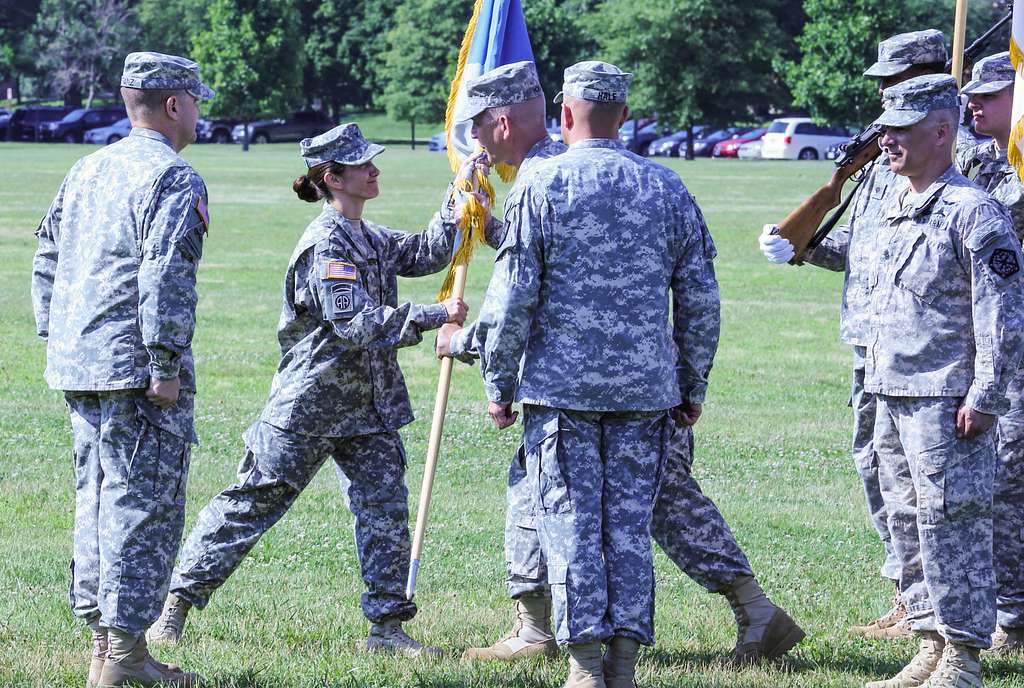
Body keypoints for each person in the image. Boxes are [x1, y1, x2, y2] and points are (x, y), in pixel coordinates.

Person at [436, 61, 802, 666]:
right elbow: (700, 299)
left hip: (566, 392)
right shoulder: (666, 185)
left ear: (559, 114)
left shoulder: (543, 181)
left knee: (589, 519)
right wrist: (692, 383)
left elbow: (517, 300)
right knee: (607, 522)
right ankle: (586, 645)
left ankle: (585, 656)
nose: (473, 142)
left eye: (476, 128)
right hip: (647, 392)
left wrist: (492, 376)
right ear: (625, 116)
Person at [145, 123, 468, 657]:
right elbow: (354, 324)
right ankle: (175, 605)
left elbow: (427, 252)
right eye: (362, 164)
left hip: (369, 405)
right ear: (331, 178)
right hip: (310, 404)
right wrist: (436, 315)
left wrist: (461, 197)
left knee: (385, 510)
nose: (374, 169)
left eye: (372, 161)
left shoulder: (369, 235)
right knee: (251, 502)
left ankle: (387, 630)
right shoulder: (324, 244)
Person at [759, 29, 965, 639]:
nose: (882, 94)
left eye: (892, 82)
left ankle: (946, 617)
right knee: (879, 470)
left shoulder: (963, 153)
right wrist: (801, 243)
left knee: (937, 493)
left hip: (933, 354)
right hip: (873, 346)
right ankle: (910, 592)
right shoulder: (882, 155)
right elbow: (866, 249)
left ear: (924, 76)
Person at [30, 51, 212, 687]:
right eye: (194, 101)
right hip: (136, 370)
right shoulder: (173, 177)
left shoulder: (88, 167)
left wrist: (58, 331)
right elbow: (165, 275)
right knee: (142, 506)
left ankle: (105, 651)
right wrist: (164, 361)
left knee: (97, 502)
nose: (198, 113)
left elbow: (46, 254)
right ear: (171, 105)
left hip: (81, 365)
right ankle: (128, 661)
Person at [861, 74, 1024, 688]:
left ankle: (963, 657)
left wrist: (987, 394)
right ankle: (929, 645)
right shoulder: (896, 204)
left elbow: (1002, 311)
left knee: (953, 525)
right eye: (886, 131)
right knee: (908, 525)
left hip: (946, 397)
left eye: (902, 131)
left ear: (941, 131)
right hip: (892, 391)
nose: (889, 143)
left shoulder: (973, 211)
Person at [959, 51, 1024, 655]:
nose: (974, 104)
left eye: (989, 95)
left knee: (1008, 479)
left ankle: (1014, 617)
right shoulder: (984, 164)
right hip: (995, 347)